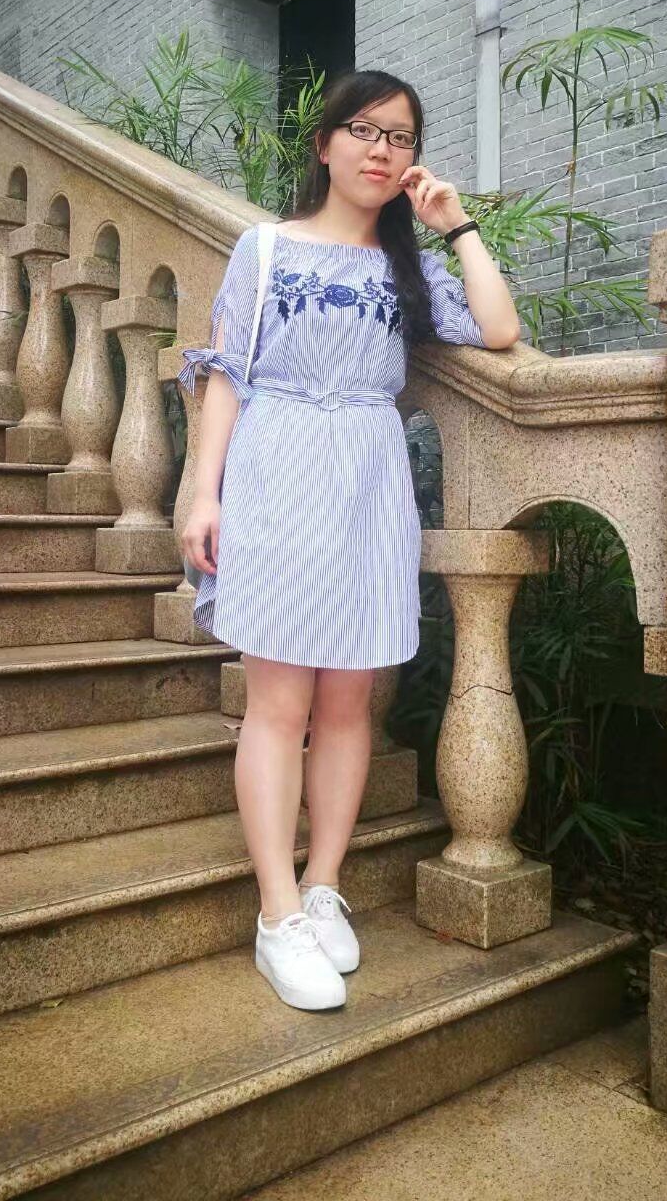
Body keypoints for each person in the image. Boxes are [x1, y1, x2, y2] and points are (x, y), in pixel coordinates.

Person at [177, 70, 520, 1011]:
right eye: (364, 130)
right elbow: (226, 374)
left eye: (400, 138)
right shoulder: (265, 248)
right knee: (279, 705)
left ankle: (324, 885)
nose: (381, 150)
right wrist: (203, 495)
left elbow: (499, 328)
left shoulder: (408, 271)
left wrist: (455, 224)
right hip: (277, 472)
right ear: (324, 144)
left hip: (369, 483)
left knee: (349, 704)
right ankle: (277, 914)